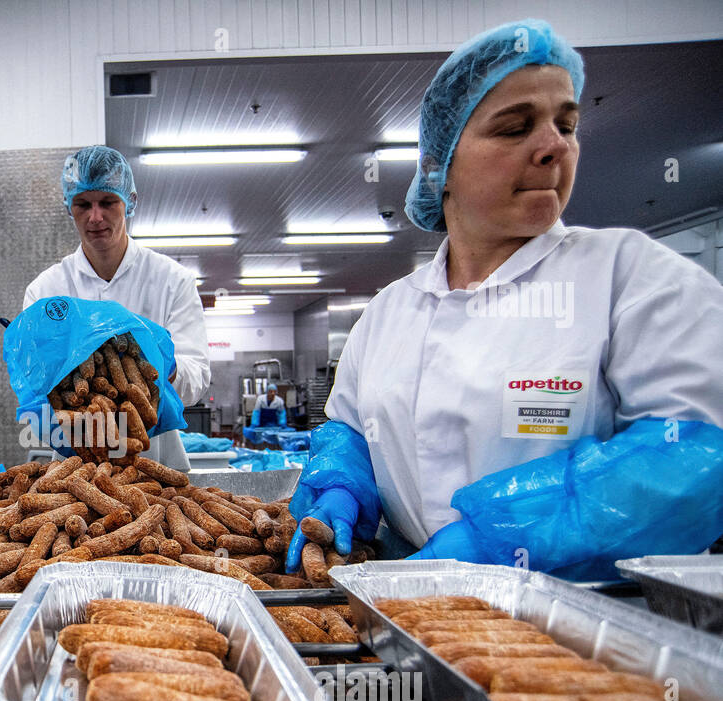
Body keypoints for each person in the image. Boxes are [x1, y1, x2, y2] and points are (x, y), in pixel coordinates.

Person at [286, 19, 723, 580]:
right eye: (515, 128)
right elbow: (350, 431)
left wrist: (503, 537)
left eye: (567, 124)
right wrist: (342, 483)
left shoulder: (630, 276)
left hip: (589, 632)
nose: (553, 146)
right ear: (437, 165)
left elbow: (699, 453)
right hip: (407, 613)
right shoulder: (391, 310)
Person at [23, 146, 210, 471]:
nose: (95, 217)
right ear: (69, 207)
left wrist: (165, 364)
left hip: (159, 463)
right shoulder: (46, 291)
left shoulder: (172, 280)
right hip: (75, 471)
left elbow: (198, 380)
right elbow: (34, 385)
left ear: (130, 201)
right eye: (83, 204)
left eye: (107, 202)